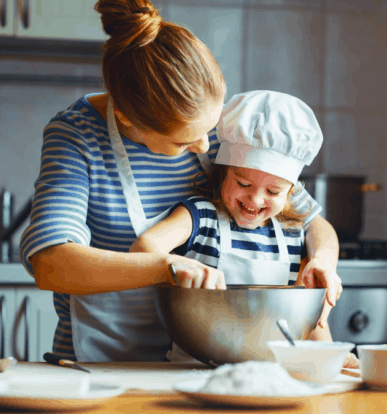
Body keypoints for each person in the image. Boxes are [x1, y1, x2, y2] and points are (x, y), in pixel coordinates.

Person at [19, 0, 342, 363]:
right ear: (128, 119)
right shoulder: (78, 136)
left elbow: (312, 222)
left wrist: (323, 261)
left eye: (210, 128)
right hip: (104, 365)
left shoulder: (222, 130)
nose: (205, 146)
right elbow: (51, 263)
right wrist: (164, 267)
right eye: (184, 141)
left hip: (201, 366)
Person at [130, 91, 359, 368]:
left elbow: (310, 319)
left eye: (273, 191)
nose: (256, 199)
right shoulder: (202, 216)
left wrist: (330, 357)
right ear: (223, 173)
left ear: (291, 193)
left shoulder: (292, 233)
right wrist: (176, 267)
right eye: (243, 183)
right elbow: (144, 247)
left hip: (271, 375)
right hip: (193, 369)